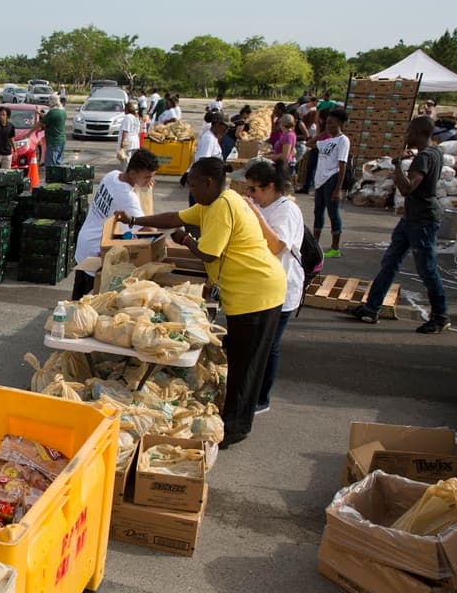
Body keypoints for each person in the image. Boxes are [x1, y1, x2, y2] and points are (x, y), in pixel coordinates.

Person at [114, 157, 286, 448]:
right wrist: (134, 220)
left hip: (258, 293)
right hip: (248, 293)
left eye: (193, 184)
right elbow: (173, 218)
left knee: (246, 365)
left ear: (208, 183)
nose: (191, 189)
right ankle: (231, 418)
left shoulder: (222, 206)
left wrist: (185, 239)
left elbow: (208, 253)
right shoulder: (212, 202)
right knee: (239, 359)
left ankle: (234, 429)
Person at [348, 116, 449, 333]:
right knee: (391, 260)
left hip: (422, 220)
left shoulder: (423, 157)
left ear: (420, 132)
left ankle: (440, 316)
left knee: (427, 269)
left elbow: (407, 188)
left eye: (410, 131)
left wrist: (397, 166)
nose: (406, 135)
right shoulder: (434, 153)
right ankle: (371, 308)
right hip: (413, 218)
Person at [243, 160, 305, 413]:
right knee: (260, 342)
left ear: (270, 187)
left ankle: (261, 398)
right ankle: (253, 392)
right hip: (263, 287)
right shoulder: (267, 205)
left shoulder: (286, 210)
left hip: (283, 288)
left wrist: (255, 214)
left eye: (254, 189)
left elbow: (278, 245)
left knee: (269, 345)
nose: (250, 195)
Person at [71, 148, 159, 299]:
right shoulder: (127, 198)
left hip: (84, 243)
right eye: (147, 177)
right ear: (132, 174)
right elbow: (150, 229)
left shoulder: (112, 175)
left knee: (78, 299)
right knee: (92, 304)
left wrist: (142, 184)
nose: (149, 181)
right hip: (97, 252)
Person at [312, 107, 350, 256]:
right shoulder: (326, 140)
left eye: (331, 123)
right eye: (327, 123)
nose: (328, 126)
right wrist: (324, 133)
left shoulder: (343, 140)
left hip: (332, 178)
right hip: (320, 180)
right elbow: (310, 143)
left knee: (333, 213)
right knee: (318, 212)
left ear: (340, 123)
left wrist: (338, 188)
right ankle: (315, 244)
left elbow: (342, 164)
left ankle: (335, 248)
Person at [36, 94, 68, 166]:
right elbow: (49, 117)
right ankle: (57, 177)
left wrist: (28, 134)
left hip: (53, 142)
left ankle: (52, 177)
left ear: (52, 102)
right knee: (58, 163)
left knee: (51, 165)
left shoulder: (53, 112)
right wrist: (39, 113)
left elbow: (40, 123)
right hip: (61, 141)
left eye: (49, 101)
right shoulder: (63, 111)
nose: (48, 103)